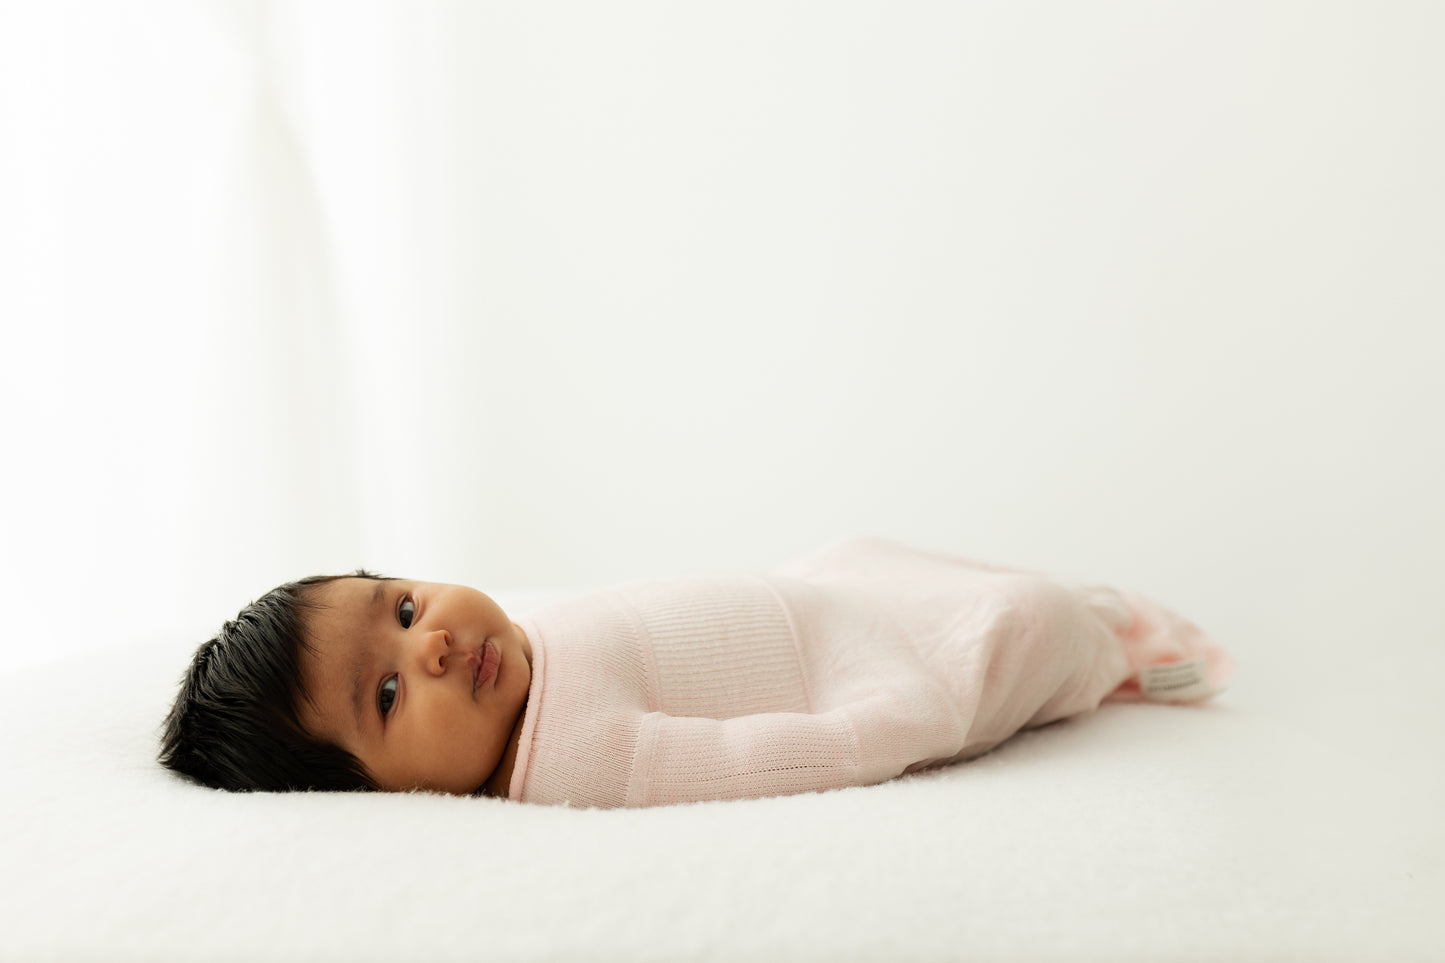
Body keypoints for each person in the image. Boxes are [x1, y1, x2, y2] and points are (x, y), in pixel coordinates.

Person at [159, 537, 1232, 807]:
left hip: (814, 598)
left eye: (400, 605)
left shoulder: (516, 662)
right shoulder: (570, 758)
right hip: (852, 667)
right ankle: (1120, 654)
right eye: (387, 694)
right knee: (1021, 624)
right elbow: (735, 755)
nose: (430, 639)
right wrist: (877, 728)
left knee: (865, 554)